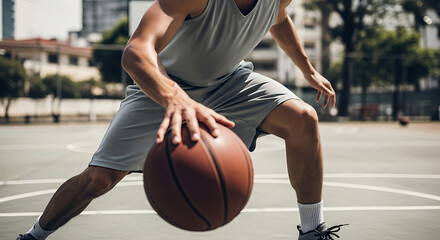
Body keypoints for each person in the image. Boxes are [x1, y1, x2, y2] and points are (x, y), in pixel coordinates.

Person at [17, 0, 346, 239]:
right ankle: (32, 237)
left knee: (303, 118)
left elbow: (278, 17)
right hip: (164, 87)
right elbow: (136, 51)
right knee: (98, 180)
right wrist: (174, 97)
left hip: (229, 83)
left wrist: (307, 68)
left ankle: (312, 231)